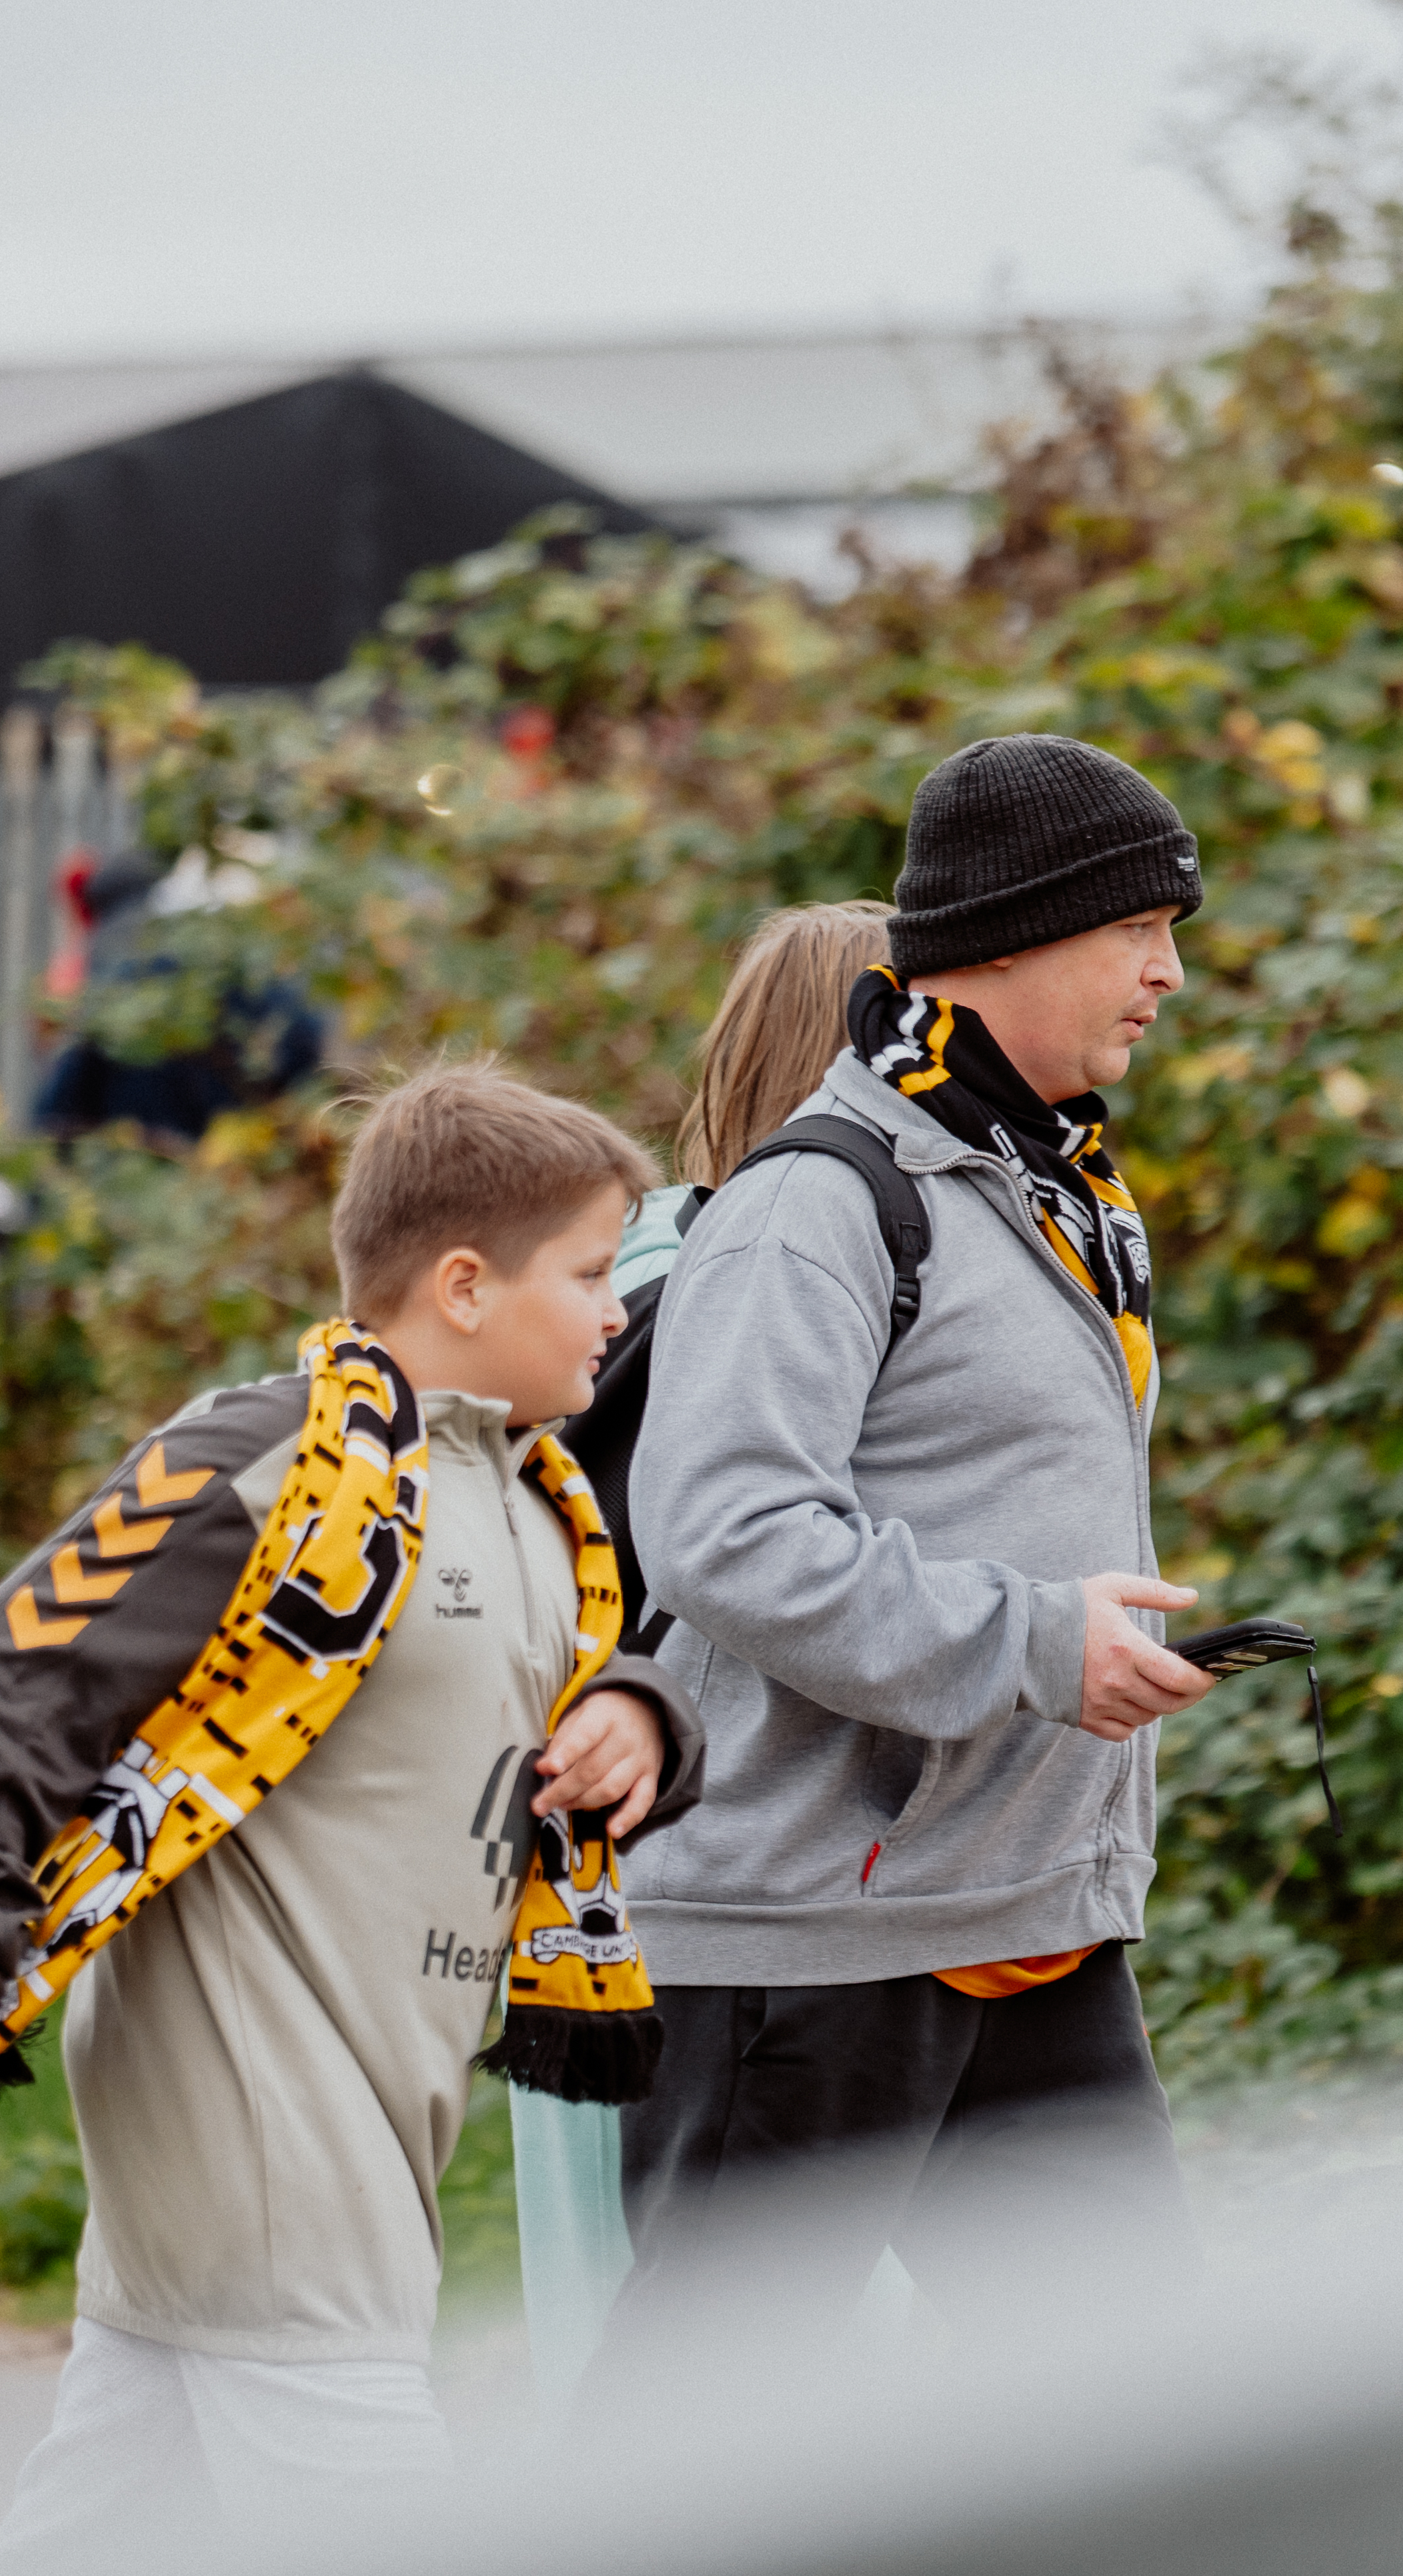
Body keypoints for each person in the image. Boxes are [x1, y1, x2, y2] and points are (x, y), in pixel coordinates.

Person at [0, 1057, 706, 2568]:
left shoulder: (531, 1500)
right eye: (587, 1271)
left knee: (110, 2506)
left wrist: (641, 1714)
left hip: (376, 2111)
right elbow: (16, 1668)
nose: (616, 1304)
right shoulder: (284, 1461)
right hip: (256, 2114)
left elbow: (561, 1686)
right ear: (460, 1283)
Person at [597, 734, 1221, 2373]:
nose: (1172, 969)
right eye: (1139, 929)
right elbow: (727, 1532)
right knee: (702, 2458)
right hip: (810, 1938)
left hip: (1021, 1918)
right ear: (1009, 933)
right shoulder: (819, 1201)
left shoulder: (1050, 1186)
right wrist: (1031, 1642)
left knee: (1158, 2427)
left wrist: (1080, 1648)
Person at [514, 896, 889, 2398]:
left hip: (572, 1837)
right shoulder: (781, 1294)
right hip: (746, 1854)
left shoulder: (612, 1275)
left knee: (603, 2283)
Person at [29, 849, 325, 1143]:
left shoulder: (121, 981)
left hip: (136, 1168)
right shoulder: (265, 985)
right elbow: (310, 1069)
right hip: (247, 1166)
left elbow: (58, 1114)